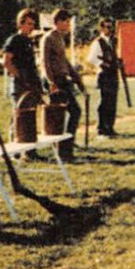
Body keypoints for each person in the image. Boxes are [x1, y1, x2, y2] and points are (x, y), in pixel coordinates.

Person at [39, 9, 83, 161]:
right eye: (66, 21)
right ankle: (63, 151)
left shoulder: (60, 38)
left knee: (74, 112)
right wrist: (51, 83)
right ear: (58, 22)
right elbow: (44, 63)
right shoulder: (48, 38)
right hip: (55, 82)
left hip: (63, 80)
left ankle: (66, 147)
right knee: (59, 117)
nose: (69, 24)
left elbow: (64, 62)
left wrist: (77, 78)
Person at [2, 9, 43, 145]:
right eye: (29, 23)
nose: (32, 27)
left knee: (29, 117)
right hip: (20, 84)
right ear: (20, 24)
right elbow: (6, 62)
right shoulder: (14, 40)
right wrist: (20, 77)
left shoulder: (28, 41)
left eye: (33, 24)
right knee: (19, 117)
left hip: (30, 83)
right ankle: (15, 148)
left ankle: (29, 149)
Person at [86, 18, 121, 138]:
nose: (109, 29)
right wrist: (101, 65)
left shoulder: (113, 41)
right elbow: (91, 58)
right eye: (107, 27)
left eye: (111, 27)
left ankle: (110, 127)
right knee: (104, 102)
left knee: (112, 102)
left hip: (113, 73)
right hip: (104, 74)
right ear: (101, 28)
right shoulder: (98, 42)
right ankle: (101, 128)